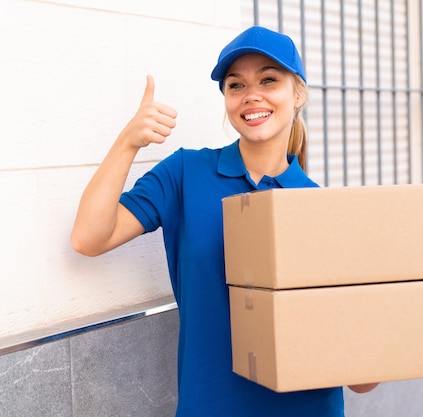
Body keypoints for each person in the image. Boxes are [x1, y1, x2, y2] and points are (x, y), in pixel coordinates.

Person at [71, 25, 378, 417]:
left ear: (297, 93)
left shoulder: (323, 208)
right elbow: (88, 238)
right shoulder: (186, 173)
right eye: (236, 85)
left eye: (269, 80)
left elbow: (363, 381)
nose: (252, 95)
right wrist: (129, 141)